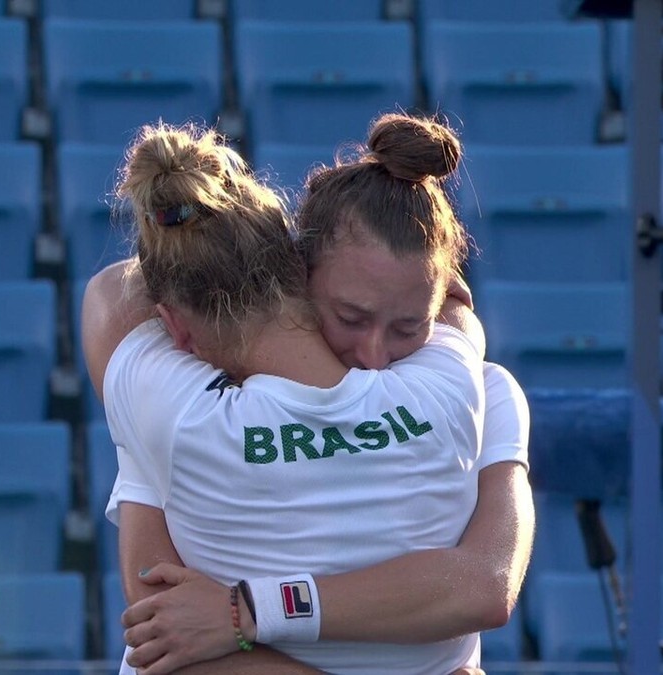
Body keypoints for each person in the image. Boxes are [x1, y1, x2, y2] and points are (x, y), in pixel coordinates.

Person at [107, 113, 534, 675]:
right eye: (350, 316)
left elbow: (487, 585)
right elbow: (160, 617)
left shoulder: (169, 402)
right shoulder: (464, 380)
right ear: (298, 273)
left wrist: (245, 613)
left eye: (409, 327)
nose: (375, 354)